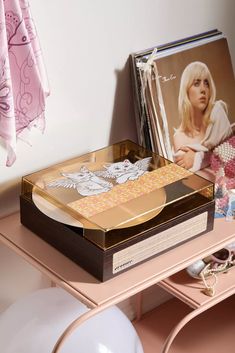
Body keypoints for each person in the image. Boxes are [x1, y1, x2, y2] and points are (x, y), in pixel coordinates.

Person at [173, 61, 233, 173]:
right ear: (186, 90)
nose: (203, 89)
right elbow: (189, 177)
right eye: (196, 83)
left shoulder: (217, 112)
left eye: (206, 83)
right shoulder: (179, 137)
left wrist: (198, 157)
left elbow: (231, 153)